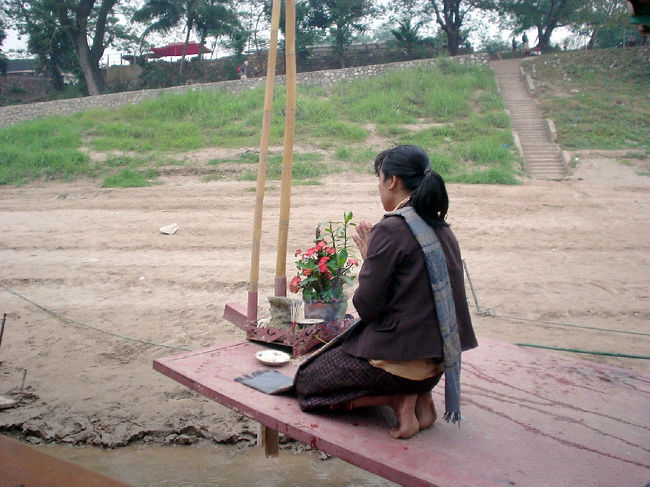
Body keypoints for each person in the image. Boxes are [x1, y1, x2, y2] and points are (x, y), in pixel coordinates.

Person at [294, 145, 478, 439]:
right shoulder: (441, 227)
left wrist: (369, 263)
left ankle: (397, 399)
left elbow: (367, 307)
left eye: (379, 179)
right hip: (438, 361)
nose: (380, 187)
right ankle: (421, 398)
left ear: (392, 181)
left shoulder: (392, 229)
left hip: (402, 361)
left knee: (307, 380)